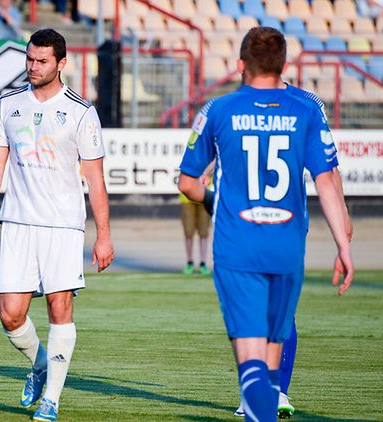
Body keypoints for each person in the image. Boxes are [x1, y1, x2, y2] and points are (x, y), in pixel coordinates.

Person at [178, 26, 354, 421]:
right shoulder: (307, 108)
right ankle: (271, 398)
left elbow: (188, 184)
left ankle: (256, 402)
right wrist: (343, 243)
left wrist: (217, 200)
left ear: (240, 64)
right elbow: (327, 179)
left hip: (237, 244)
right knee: (272, 362)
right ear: (283, 65)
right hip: (287, 242)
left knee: (251, 361)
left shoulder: (217, 111)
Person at [0, 28, 114, 422]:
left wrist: (103, 235)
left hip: (63, 225)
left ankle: (51, 398)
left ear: (61, 64)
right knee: (10, 314)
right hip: (17, 221)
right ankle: (40, 364)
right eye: (30, 59)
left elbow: (95, 179)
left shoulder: (81, 112)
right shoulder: (7, 105)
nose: (33, 67)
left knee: (59, 306)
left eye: (42, 61)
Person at [233, 80, 354, 419]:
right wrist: (342, 216)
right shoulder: (307, 102)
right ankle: (272, 390)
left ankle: (268, 391)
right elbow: (327, 171)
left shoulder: (232, 105)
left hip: (249, 225)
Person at [179, 160, 214, 275]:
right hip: (187, 197)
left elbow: (216, 162)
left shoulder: (211, 149)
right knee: (188, 231)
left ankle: (203, 262)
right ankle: (189, 261)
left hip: (205, 193)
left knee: (204, 231)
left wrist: (205, 172)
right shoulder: (193, 148)